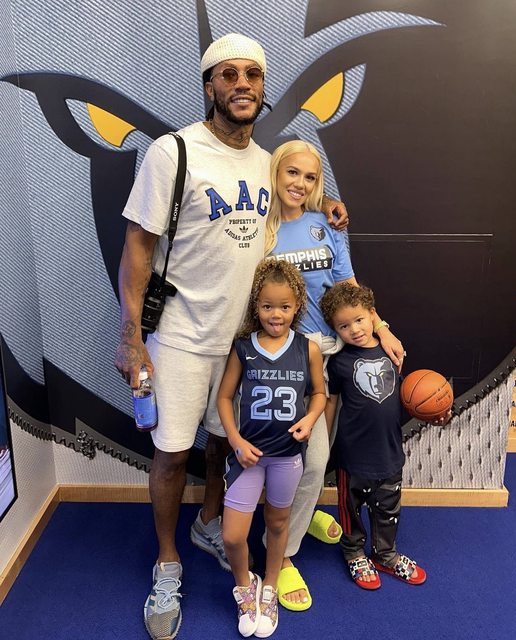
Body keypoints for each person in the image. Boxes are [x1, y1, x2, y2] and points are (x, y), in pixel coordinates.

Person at [114, 33, 347, 640]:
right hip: (181, 336)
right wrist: (132, 337)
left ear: (263, 87)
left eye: (252, 74)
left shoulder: (263, 162)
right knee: (172, 452)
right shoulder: (173, 152)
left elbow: (293, 197)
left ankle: (209, 525)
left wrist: (328, 207)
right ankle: (168, 564)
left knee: (225, 443)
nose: (242, 84)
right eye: (228, 74)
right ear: (210, 85)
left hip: (244, 340)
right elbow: (137, 246)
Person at [264, 140, 405, 609]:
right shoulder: (260, 230)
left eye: (310, 177)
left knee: (320, 457)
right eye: (292, 172)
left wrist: (381, 326)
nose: (300, 183)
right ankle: (281, 555)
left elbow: (348, 285)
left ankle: (301, 520)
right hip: (291, 359)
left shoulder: (327, 224)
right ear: (275, 171)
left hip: (337, 352)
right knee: (302, 457)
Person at [217, 259, 326, 637]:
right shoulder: (244, 347)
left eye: (284, 306)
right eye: (267, 306)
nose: (275, 314)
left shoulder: (308, 348)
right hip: (249, 457)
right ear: (256, 307)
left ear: (297, 306)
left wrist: (310, 419)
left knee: (278, 523)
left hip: (287, 457)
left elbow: (319, 393)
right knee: (233, 536)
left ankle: (271, 587)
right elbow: (224, 397)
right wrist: (235, 440)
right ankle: (245, 586)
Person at [320, 282, 426, 589]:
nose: (354, 329)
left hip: (388, 450)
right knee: (350, 508)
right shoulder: (339, 362)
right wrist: (324, 443)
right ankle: (353, 552)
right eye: (343, 326)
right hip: (352, 454)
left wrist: (436, 412)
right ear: (335, 329)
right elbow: (331, 403)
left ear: (372, 315)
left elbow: (411, 396)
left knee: (388, 508)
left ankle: (385, 554)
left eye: (359, 320)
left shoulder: (392, 351)